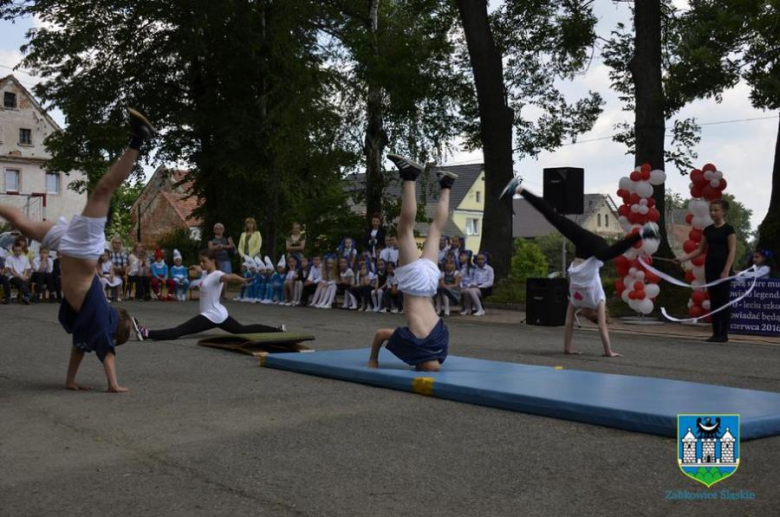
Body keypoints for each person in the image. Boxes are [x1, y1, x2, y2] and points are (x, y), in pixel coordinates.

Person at [0, 108, 150, 392]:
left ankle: (137, 140)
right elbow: (106, 352)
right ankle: (137, 141)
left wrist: (70, 380)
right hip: (80, 249)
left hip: (68, 247)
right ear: (112, 329)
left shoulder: (88, 323)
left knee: (21, 221)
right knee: (103, 190)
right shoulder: (102, 318)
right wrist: (113, 385)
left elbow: (79, 348)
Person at [501, 178, 659, 356]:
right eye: (586, 315)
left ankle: (519, 189)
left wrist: (567, 349)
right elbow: (602, 327)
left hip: (583, 248)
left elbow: (568, 324)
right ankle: (643, 233)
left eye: (582, 315)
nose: (581, 314)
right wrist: (608, 352)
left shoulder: (575, 302)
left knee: (554, 218)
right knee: (606, 255)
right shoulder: (598, 300)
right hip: (596, 248)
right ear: (592, 313)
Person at [368, 155, 456, 371]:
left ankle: (446, 184)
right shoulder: (415, 345)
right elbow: (380, 334)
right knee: (404, 230)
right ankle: (409, 176)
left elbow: (431, 360)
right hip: (415, 286)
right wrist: (373, 360)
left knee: (436, 230)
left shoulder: (441, 345)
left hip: (429, 284)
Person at [136, 248, 285, 340]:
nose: (201, 264)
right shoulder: (206, 273)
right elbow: (202, 273)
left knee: (179, 331)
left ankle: (147, 333)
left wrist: (242, 280)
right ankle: (277, 331)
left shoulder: (217, 274)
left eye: (204, 261)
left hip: (211, 315)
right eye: (200, 261)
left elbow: (229, 277)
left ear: (213, 261)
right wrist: (198, 268)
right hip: (218, 312)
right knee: (242, 330)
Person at [675, 199, 737, 343]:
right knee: (714, 300)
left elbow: (732, 250)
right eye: (711, 210)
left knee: (723, 301)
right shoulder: (708, 230)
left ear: (724, 212)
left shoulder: (729, 229)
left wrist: (726, 270)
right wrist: (682, 259)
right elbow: (699, 250)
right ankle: (716, 333)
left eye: (716, 210)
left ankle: (724, 333)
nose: (713, 213)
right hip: (710, 268)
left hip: (724, 269)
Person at [461, 252, 494, 317]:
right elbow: (474, 280)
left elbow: (490, 282)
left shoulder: (489, 269)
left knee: (471, 291)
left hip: (486, 288)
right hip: (476, 286)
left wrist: (478, 286)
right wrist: (470, 285)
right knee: (466, 290)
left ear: (485, 259)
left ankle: (480, 309)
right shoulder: (476, 269)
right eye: (478, 259)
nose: (480, 261)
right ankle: (468, 309)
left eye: (482, 259)